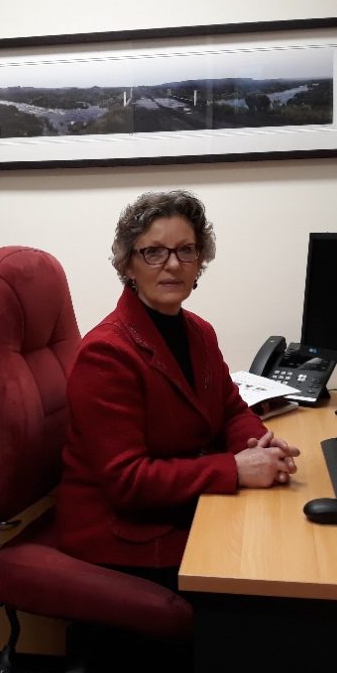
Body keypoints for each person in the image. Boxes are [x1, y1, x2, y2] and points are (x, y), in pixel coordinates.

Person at [55, 190, 300, 590]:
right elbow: (127, 481)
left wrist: (259, 445)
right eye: (154, 251)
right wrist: (235, 469)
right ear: (128, 264)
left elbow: (231, 410)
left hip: (178, 506)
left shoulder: (199, 332)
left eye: (186, 250)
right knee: (263, 571)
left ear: (200, 261)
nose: (173, 264)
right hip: (121, 531)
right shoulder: (106, 353)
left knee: (281, 540)